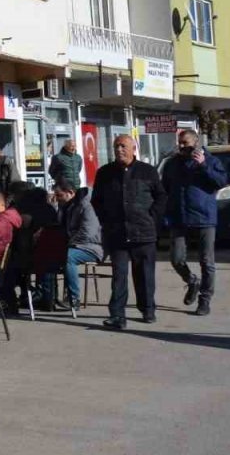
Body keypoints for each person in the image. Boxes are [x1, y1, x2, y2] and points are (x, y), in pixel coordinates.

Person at [91, 135, 166, 330]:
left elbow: (161, 197)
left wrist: (152, 218)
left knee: (144, 274)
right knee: (119, 275)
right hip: (117, 233)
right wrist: (106, 221)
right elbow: (96, 201)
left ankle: (148, 309)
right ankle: (117, 315)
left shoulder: (147, 172)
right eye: (116, 146)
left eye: (123, 146)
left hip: (144, 232)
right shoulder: (105, 173)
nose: (119, 150)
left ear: (134, 148)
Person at [161, 129, 227, 316]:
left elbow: (221, 181)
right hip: (179, 217)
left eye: (185, 142)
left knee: (206, 261)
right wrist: (166, 213)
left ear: (196, 142)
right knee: (176, 258)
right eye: (180, 142)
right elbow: (165, 188)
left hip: (204, 217)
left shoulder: (211, 160)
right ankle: (192, 281)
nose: (182, 146)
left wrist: (204, 165)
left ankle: (204, 300)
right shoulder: (172, 164)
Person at [37, 179, 102, 311]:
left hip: (90, 246)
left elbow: (88, 232)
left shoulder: (86, 206)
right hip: (72, 245)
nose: (57, 198)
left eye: (59, 195)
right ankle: (48, 298)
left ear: (70, 192)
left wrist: (68, 243)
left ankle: (74, 298)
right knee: (45, 254)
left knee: (68, 257)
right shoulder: (63, 206)